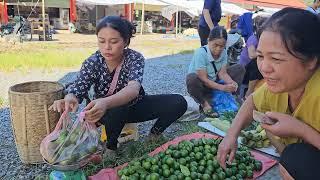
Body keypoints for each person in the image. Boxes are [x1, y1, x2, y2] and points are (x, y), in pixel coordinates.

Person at [49, 16, 187, 153]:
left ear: (125, 41)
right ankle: (111, 147)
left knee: (179, 102)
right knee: (117, 107)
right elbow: (79, 86)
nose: (107, 47)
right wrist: (71, 97)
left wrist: (106, 102)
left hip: (134, 106)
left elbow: (133, 89)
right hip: (104, 112)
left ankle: (154, 134)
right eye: (101, 41)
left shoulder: (134, 58)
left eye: (114, 42)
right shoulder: (93, 62)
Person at [217, 8, 320, 180]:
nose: (264, 67)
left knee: (296, 158)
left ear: (310, 60)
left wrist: (300, 129)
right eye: (260, 56)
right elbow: (252, 102)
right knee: (292, 159)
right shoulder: (281, 85)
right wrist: (231, 135)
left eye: (276, 59)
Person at [186, 26, 245, 117]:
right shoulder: (201, 53)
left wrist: (232, 83)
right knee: (191, 78)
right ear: (208, 40)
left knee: (239, 68)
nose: (218, 49)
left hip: (214, 81)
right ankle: (204, 103)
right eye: (215, 45)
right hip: (202, 84)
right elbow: (204, 79)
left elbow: (223, 73)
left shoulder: (224, 52)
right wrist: (223, 88)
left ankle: (233, 96)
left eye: (221, 46)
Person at [240, 16, 268, 99]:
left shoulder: (264, 39)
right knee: (256, 63)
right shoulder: (253, 39)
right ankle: (249, 93)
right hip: (245, 68)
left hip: (252, 69)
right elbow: (251, 55)